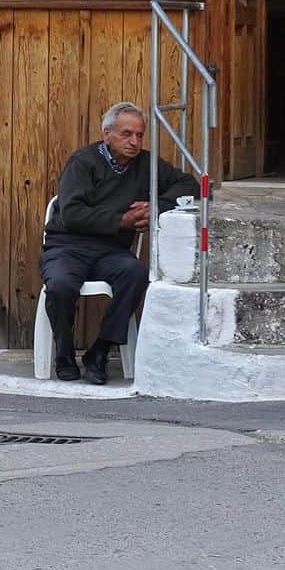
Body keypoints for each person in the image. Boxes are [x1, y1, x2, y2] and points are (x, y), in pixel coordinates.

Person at [40, 101, 200, 384]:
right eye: (126, 134)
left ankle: (100, 351)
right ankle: (63, 354)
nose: (134, 142)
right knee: (61, 286)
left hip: (110, 251)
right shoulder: (83, 162)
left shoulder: (146, 164)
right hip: (67, 246)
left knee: (136, 273)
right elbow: (73, 214)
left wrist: (155, 205)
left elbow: (190, 184)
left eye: (139, 135)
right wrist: (121, 221)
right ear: (107, 134)